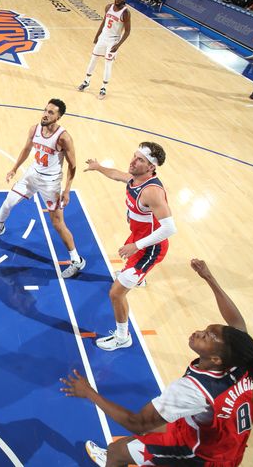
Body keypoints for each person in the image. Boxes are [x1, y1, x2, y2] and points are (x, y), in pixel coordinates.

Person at [60, 259, 253, 467]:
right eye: (206, 329)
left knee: (118, 450)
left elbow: (137, 422)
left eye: (207, 337)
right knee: (155, 428)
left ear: (216, 359)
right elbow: (236, 322)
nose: (199, 333)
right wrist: (209, 278)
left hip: (201, 455)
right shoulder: (241, 358)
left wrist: (89, 392)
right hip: (223, 441)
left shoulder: (194, 390)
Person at [84, 142, 175, 350]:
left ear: (151, 167)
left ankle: (123, 337)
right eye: (134, 156)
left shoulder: (152, 192)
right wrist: (98, 167)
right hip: (139, 237)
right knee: (124, 280)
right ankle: (138, 279)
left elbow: (170, 228)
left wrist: (136, 245)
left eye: (140, 160)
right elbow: (117, 174)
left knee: (116, 293)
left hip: (150, 248)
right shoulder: (135, 178)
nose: (133, 162)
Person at [0, 99, 86, 279]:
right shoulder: (34, 129)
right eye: (45, 110)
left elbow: (73, 166)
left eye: (51, 112)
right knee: (8, 203)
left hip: (51, 183)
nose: (45, 114)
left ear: (59, 116)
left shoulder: (64, 137)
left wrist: (67, 190)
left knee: (57, 223)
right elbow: (26, 149)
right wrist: (14, 168)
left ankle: (77, 260)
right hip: (32, 175)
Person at [77, 0, 131, 100]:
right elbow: (104, 22)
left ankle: (103, 88)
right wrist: (97, 35)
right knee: (93, 59)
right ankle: (86, 81)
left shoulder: (126, 12)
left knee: (108, 64)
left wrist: (118, 45)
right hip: (103, 37)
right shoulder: (108, 7)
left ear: (124, 0)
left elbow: (127, 31)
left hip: (113, 41)